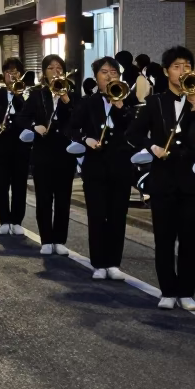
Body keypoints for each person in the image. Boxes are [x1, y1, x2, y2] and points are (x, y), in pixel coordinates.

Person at [127, 45, 195, 311]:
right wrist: (152, 147)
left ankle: (187, 292)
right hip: (163, 180)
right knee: (164, 237)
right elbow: (133, 134)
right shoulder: (154, 102)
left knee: (191, 239)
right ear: (166, 71)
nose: (183, 71)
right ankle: (168, 290)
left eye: (187, 66)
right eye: (177, 66)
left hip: (192, 180)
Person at [70, 56, 137, 282]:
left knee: (118, 215)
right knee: (97, 215)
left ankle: (114, 262)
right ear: (96, 77)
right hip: (95, 167)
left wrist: (120, 106)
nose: (110, 76)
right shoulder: (88, 102)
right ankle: (98, 262)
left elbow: (133, 129)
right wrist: (86, 139)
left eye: (114, 72)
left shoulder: (128, 100)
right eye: (104, 72)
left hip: (120, 166)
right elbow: (72, 128)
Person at [17, 54, 79, 255]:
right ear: (44, 73)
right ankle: (46, 239)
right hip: (43, 151)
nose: (56, 71)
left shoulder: (72, 94)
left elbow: (78, 119)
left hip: (65, 152)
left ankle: (60, 239)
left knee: (63, 197)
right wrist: (35, 126)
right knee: (44, 197)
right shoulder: (37, 95)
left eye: (59, 67)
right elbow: (22, 118)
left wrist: (66, 99)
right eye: (51, 68)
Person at [0, 57, 30, 237]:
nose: (12, 76)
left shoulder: (26, 95)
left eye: (15, 72)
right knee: (1, 184)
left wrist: (19, 94)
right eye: (8, 72)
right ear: (3, 75)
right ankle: (4, 219)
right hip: (0, 146)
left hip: (21, 146)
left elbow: (28, 115)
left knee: (20, 184)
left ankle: (17, 220)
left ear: (21, 74)